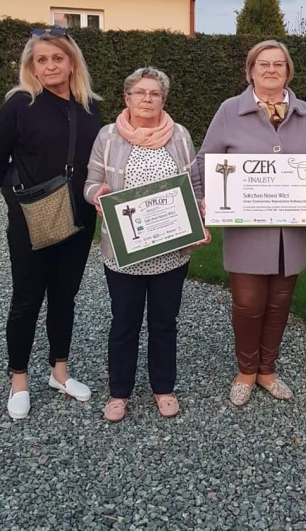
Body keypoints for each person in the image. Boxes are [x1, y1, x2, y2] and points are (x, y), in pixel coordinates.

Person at [0, 29, 102, 420]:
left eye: (57, 58)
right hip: (33, 217)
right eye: (41, 60)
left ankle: (59, 372)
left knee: (65, 297)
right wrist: (18, 196)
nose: (50, 66)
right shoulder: (21, 104)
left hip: (79, 217)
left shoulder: (89, 108)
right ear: (31, 67)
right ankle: (19, 379)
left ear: (72, 63)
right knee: (27, 299)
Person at [197, 40, 306, 407]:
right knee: (248, 303)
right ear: (250, 71)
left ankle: (268, 370)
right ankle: (246, 371)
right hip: (247, 229)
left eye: (278, 64)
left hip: (291, 231)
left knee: (280, 303)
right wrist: (205, 199)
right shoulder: (229, 110)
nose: (271, 69)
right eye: (263, 63)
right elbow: (204, 161)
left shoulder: (305, 112)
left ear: (288, 71)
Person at [85, 67, 208, 423]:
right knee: (124, 323)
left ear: (163, 100)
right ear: (127, 98)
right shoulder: (108, 136)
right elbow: (90, 182)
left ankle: (163, 388)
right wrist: (97, 194)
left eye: (155, 93)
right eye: (140, 92)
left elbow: (194, 186)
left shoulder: (180, 135)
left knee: (164, 322)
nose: (147, 99)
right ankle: (119, 392)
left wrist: (199, 222)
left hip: (171, 252)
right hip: (124, 251)